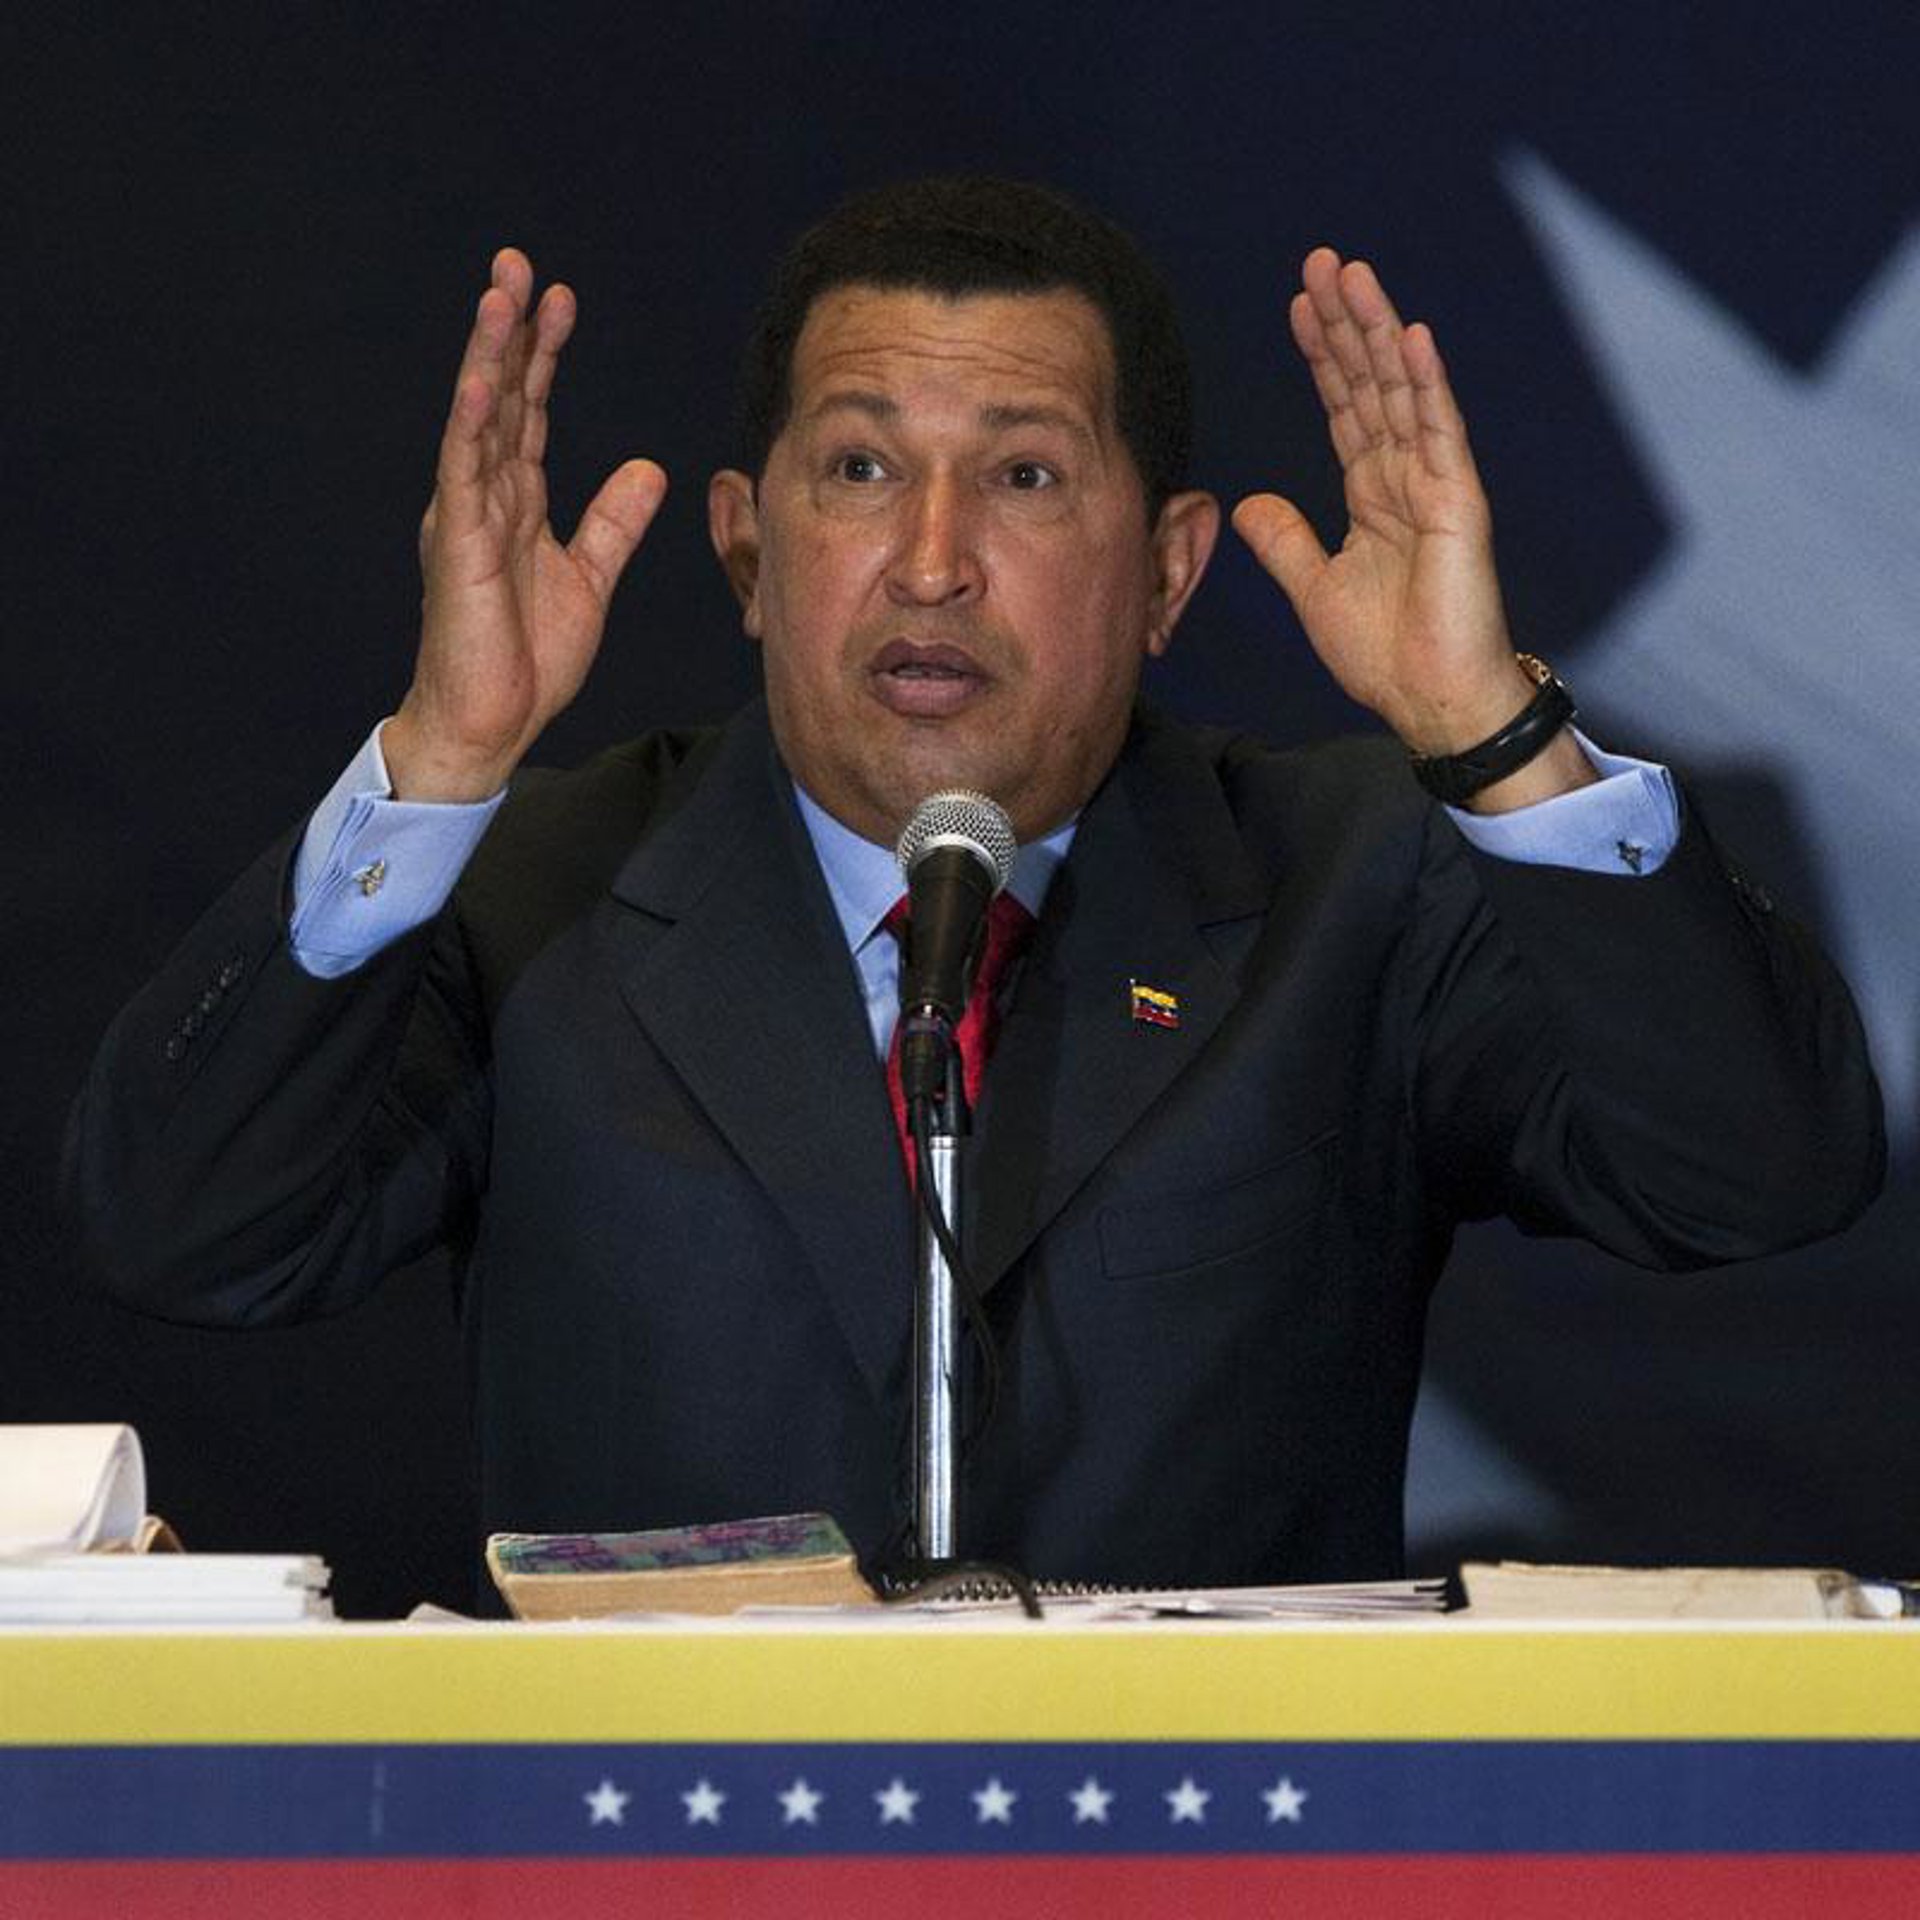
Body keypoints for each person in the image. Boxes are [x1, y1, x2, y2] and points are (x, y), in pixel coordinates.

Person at [68, 178, 1881, 1591]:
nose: (931, 563)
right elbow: (190, 1232)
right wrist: (438, 765)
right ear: (748, 549)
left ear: (1167, 571)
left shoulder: (1350, 885)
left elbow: (1755, 1173)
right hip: (662, 1857)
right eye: (861, 468)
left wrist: (1497, 738)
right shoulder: (533, 886)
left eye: (1022, 475)